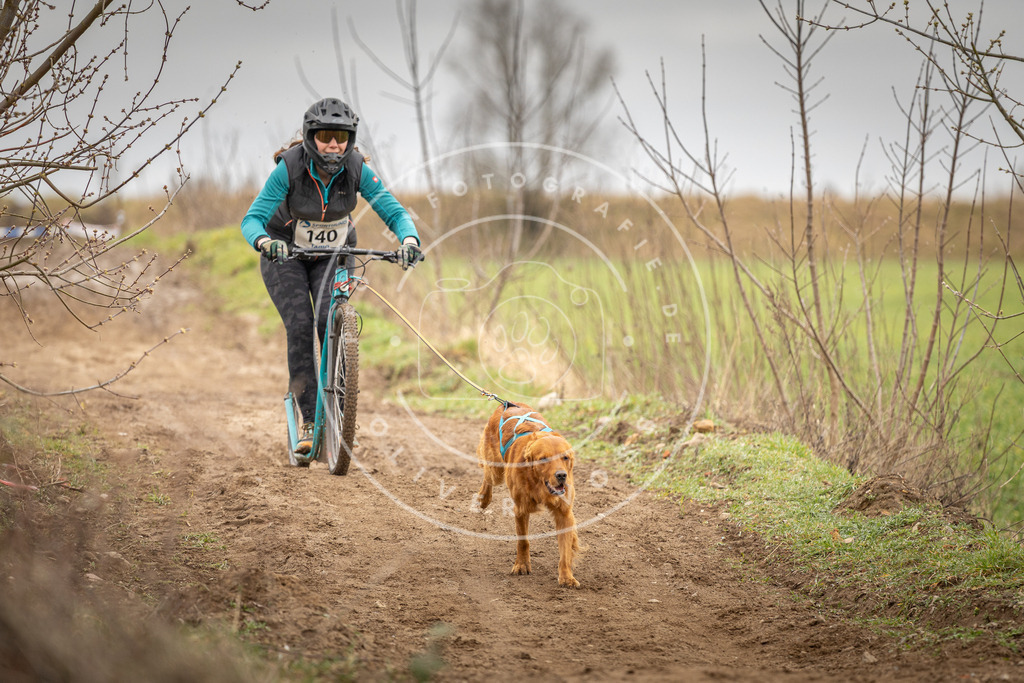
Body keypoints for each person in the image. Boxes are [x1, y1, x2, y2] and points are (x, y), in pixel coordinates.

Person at [240, 97, 423, 456]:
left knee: (329, 318)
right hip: (286, 254)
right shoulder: (289, 168)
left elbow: (394, 210)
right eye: (325, 136)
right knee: (301, 325)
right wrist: (264, 242)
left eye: (341, 136)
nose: (333, 144)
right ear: (311, 136)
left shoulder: (356, 169)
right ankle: (309, 418)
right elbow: (252, 219)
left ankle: (339, 406)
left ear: (350, 138)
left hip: (335, 254)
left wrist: (409, 239)